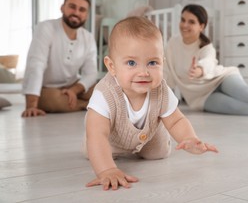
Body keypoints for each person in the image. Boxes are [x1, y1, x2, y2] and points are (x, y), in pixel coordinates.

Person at [84, 16, 218, 191]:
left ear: (163, 62)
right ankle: (100, 154)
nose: (143, 72)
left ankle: (154, 138)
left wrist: (189, 138)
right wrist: (107, 170)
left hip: (149, 137)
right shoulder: (104, 94)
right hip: (111, 139)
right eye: (131, 63)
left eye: (152, 62)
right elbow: (98, 135)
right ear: (112, 66)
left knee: (159, 153)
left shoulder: (161, 90)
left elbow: (177, 120)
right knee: (95, 147)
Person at [22, 0, 98, 117]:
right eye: (72, 7)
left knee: (101, 90)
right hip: (47, 89)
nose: (76, 12)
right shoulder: (45, 28)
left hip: (71, 85)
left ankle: (73, 102)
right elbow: (36, 65)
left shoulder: (88, 38)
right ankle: (86, 105)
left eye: (82, 10)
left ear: (87, 15)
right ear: (62, 8)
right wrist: (31, 106)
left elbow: (91, 73)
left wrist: (73, 90)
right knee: (55, 99)